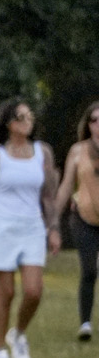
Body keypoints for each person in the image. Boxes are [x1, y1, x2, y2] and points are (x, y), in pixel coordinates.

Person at [0, 97, 60, 358]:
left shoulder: (42, 153)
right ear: (9, 123)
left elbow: (48, 195)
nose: (27, 121)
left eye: (30, 116)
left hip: (32, 228)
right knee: (7, 293)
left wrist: (53, 228)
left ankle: (18, 334)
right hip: (1, 228)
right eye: (21, 117)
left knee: (34, 291)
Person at [53, 100, 99, 341]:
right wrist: (52, 220)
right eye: (95, 120)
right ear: (88, 124)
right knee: (89, 270)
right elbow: (65, 187)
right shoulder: (78, 151)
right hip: (84, 219)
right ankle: (85, 324)